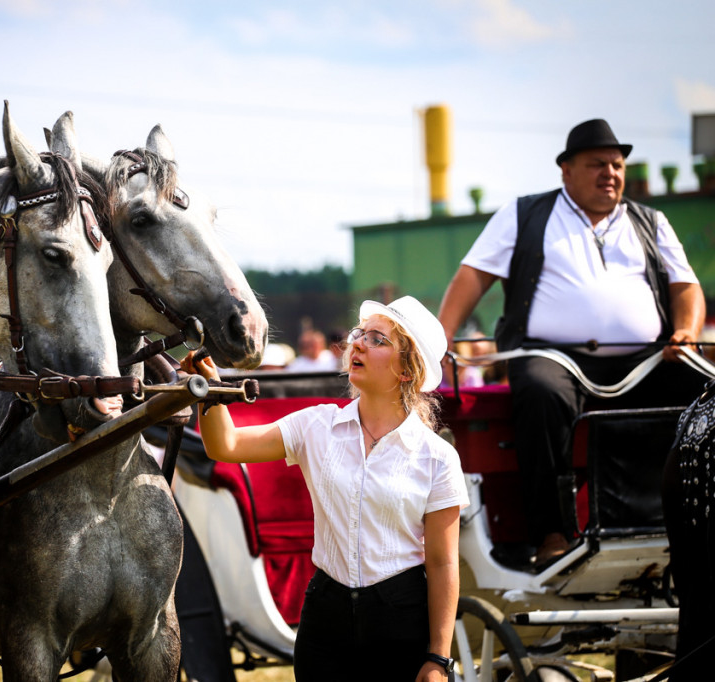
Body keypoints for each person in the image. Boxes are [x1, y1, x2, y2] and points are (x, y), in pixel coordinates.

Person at [438, 118, 707, 567]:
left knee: (696, 388)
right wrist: (438, 337)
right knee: (541, 392)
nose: (611, 173)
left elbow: (686, 287)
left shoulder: (651, 222)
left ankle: (688, 520)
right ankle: (552, 534)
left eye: (618, 165)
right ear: (565, 170)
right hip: (550, 356)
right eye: (597, 163)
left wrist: (687, 332)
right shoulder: (524, 214)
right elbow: (473, 276)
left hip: (644, 359)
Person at [181, 296, 468, 681]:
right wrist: (211, 390)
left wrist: (438, 658)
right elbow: (225, 446)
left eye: (378, 340)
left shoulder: (437, 457)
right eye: (360, 334)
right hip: (324, 624)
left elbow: (443, 563)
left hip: (401, 624)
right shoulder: (316, 426)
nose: (359, 344)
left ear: (407, 370)